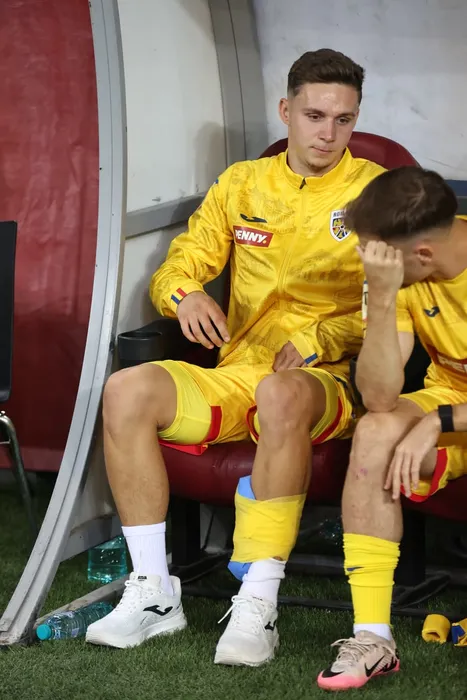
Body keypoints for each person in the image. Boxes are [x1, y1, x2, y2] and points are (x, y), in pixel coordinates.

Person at [85, 48, 384, 664]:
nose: (328, 133)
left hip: (327, 382)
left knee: (280, 392)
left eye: (344, 119)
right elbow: (177, 267)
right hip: (241, 373)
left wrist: (324, 338)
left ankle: (258, 603)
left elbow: (396, 304)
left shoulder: (378, 193)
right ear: (286, 111)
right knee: (125, 389)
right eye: (314, 115)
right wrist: (185, 295)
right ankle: (154, 591)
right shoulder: (242, 182)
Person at [318, 166, 467, 690]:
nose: (368, 260)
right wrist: (380, 297)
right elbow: (379, 397)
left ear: (422, 254)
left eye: (377, 254)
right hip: (450, 399)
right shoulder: (399, 275)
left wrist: (439, 422)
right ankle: (373, 638)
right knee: (376, 430)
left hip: (450, 415)